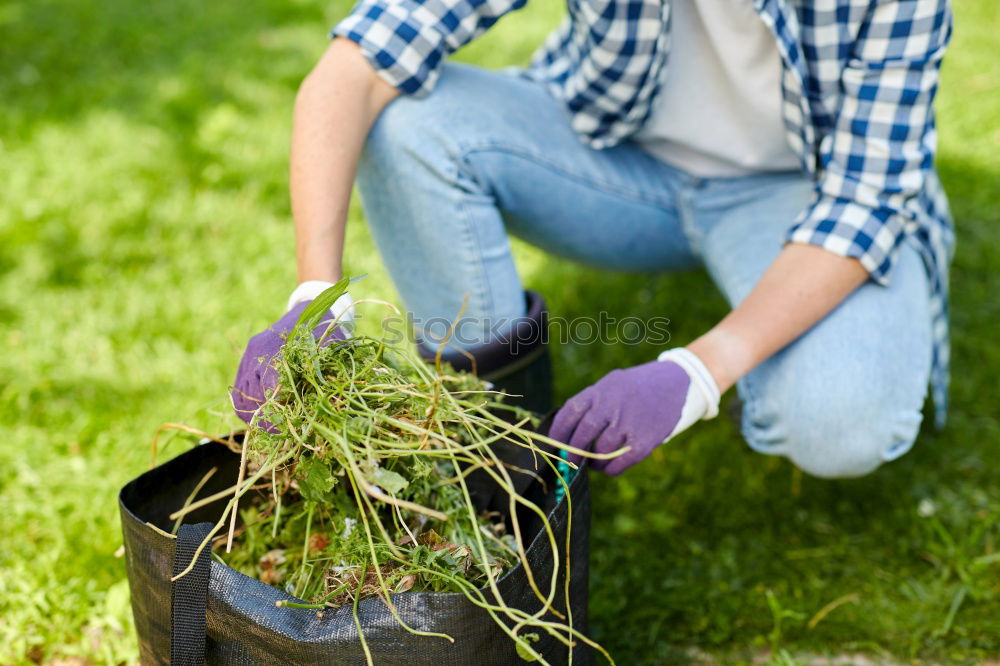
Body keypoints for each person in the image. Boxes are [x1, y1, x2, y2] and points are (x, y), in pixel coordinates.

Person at [233, 0, 954, 480]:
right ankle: (493, 454)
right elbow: (359, 63)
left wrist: (696, 375)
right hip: (615, 160)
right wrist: (314, 297)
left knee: (841, 424)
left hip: (801, 194)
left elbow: (867, 199)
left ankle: (759, 351)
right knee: (410, 127)